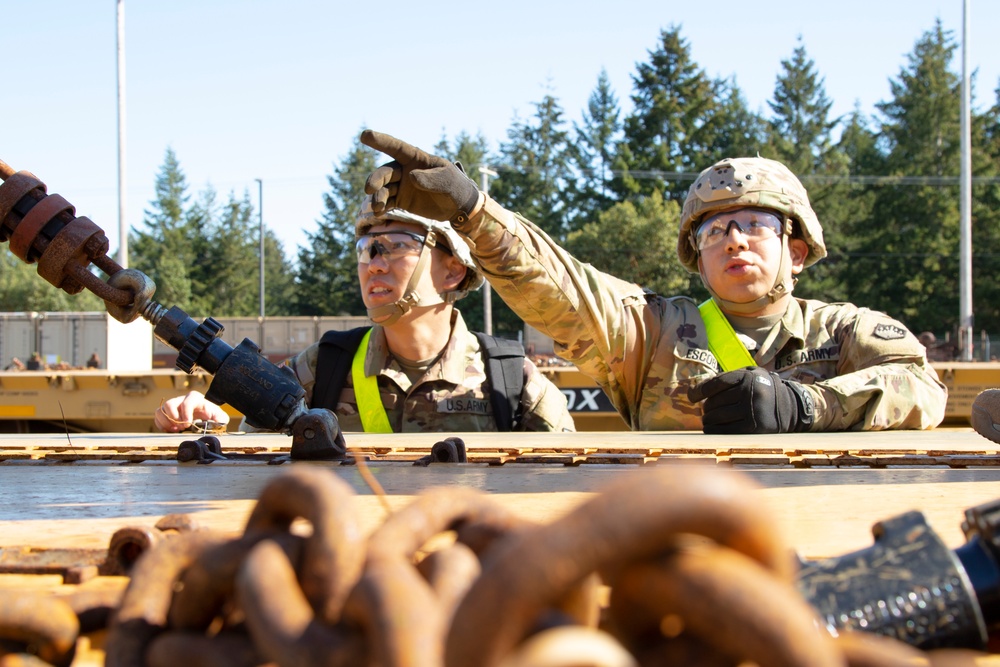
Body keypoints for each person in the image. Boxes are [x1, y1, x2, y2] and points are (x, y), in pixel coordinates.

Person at [358, 130, 947, 433]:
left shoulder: (843, 331)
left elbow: (923, 389)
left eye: (753, 225)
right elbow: (559, 286)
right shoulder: (656, 332)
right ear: (697, 254)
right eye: (714, 232)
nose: (734, 240)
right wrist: (471, 209)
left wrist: (808, 404)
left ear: (797, 250)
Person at [155, 198, 575, 434]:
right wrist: (206, 427)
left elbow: (567, 493)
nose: (373, 264)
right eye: (365, 248)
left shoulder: (509, 381)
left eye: (395, 245)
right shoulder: (326, 366)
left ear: (454, 270)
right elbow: (253, 466)